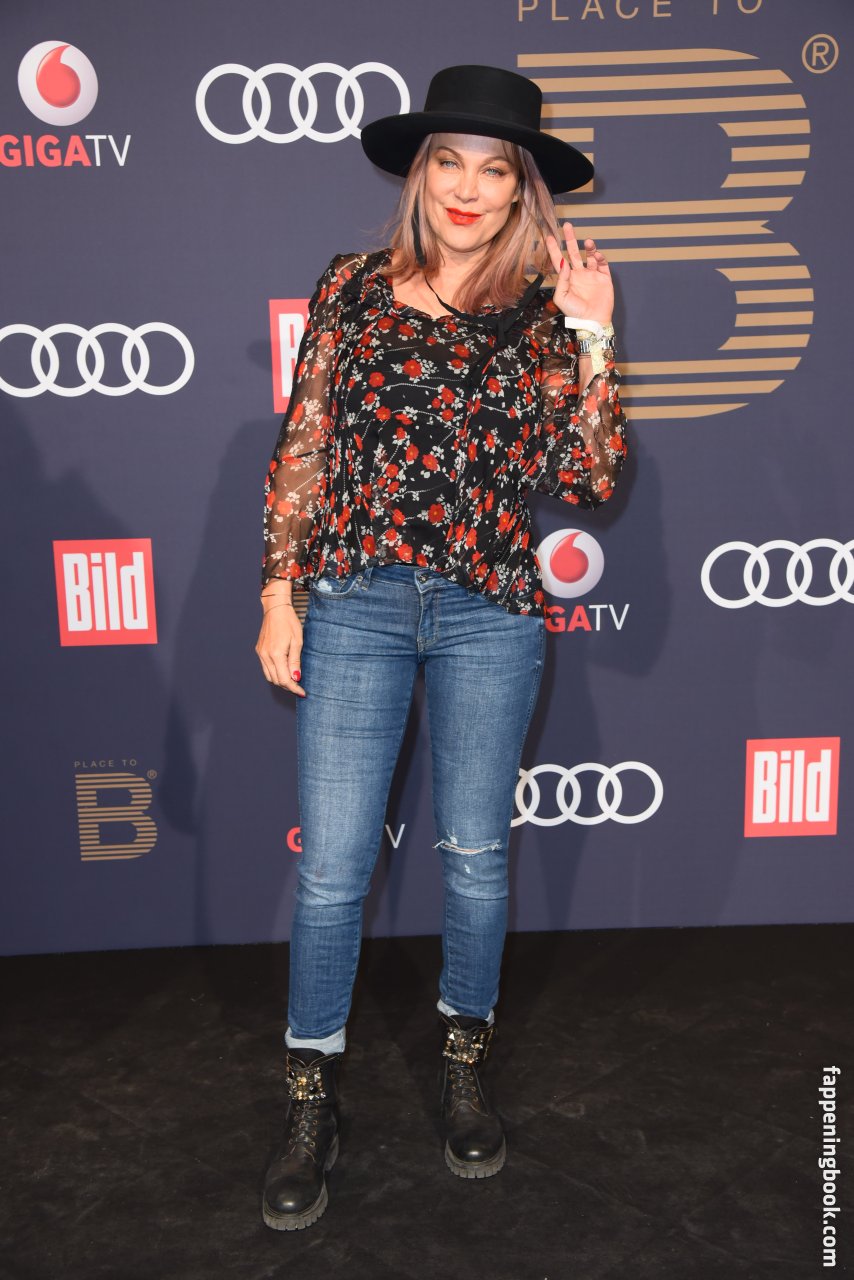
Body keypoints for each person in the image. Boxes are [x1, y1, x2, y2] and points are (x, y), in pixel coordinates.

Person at [255, 64, 627, 1230]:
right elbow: (305, 446)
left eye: (493, 168)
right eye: (449, 162)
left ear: (520, 190)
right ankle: (310, 1099)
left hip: (487, 612)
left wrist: (593, 337)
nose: (468, 187)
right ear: (421, 174)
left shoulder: (545, 308)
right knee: (331, 869)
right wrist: (278, 593)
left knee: (472, 855)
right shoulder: (351, 286)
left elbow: (588, 479)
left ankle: (463, 1065)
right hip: (355, 601)